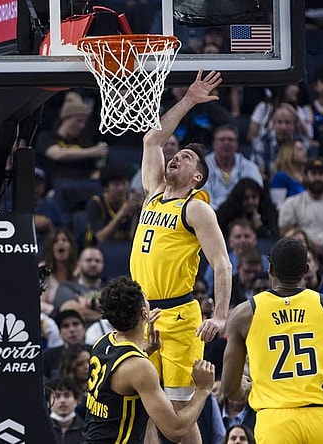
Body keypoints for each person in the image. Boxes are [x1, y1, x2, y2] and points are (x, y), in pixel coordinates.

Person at [129, 70, 230, 444]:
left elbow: (222, 262)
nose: (176, 157)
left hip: (178, 316)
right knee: (148, 412)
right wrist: (188, 99)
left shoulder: (196, 209)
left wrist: (219, 315)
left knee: (178, 416)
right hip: (144, 316)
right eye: (177, 154)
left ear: (197, 177)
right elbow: (153, 138)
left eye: (186, 158)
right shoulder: (154, 191)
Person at [221, 237, 323, 444]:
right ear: (306, 269)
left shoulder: (245, 313)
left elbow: (229, 390)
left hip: (275, 422)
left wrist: (244, 387)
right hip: (321, 420)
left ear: (270, 269)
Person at [82, 277, 215, 443]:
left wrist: (148, 349)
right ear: (144, 313)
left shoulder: (102, 343)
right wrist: (203, 389)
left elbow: (120, 377)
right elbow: (176, 429)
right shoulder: (139, 368)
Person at [201, 125, 264, 210]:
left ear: (237, 144)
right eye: (222, 140)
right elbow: (203, 200)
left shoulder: (251, 168)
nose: (226, 143)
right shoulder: (202, 168)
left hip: (244, 216)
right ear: (214, 144)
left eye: (230, 140)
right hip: (211, 216)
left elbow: (258, 196)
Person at [46, 377, 85, 444]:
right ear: (48, 403)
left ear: (77, 400)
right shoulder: (41, 429)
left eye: (67, 395)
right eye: (57, 396)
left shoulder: (87, 431)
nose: (62, 400)